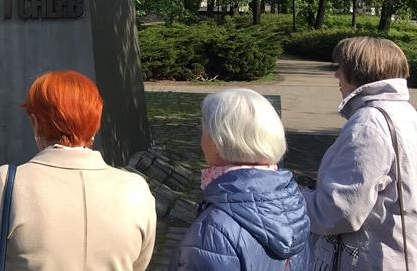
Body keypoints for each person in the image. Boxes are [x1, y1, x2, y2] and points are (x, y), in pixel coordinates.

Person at [0, 70, 156, 270]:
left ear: (35, 123)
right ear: (95, 125)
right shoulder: (137, 190)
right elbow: (139, 264)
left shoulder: (5, 184)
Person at [305, 37, 417, 270]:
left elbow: (339, 212)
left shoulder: (369, 122)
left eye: (340, 68)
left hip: (373, 259)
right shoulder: (404, 111)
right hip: (397, 251)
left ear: (358, 72)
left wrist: (294, 198)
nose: (336, 75)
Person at [172, 88, 309, 270]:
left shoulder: (214, 230)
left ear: (217, 141)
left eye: (204, 131)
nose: (201, 140)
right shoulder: (293, 207)